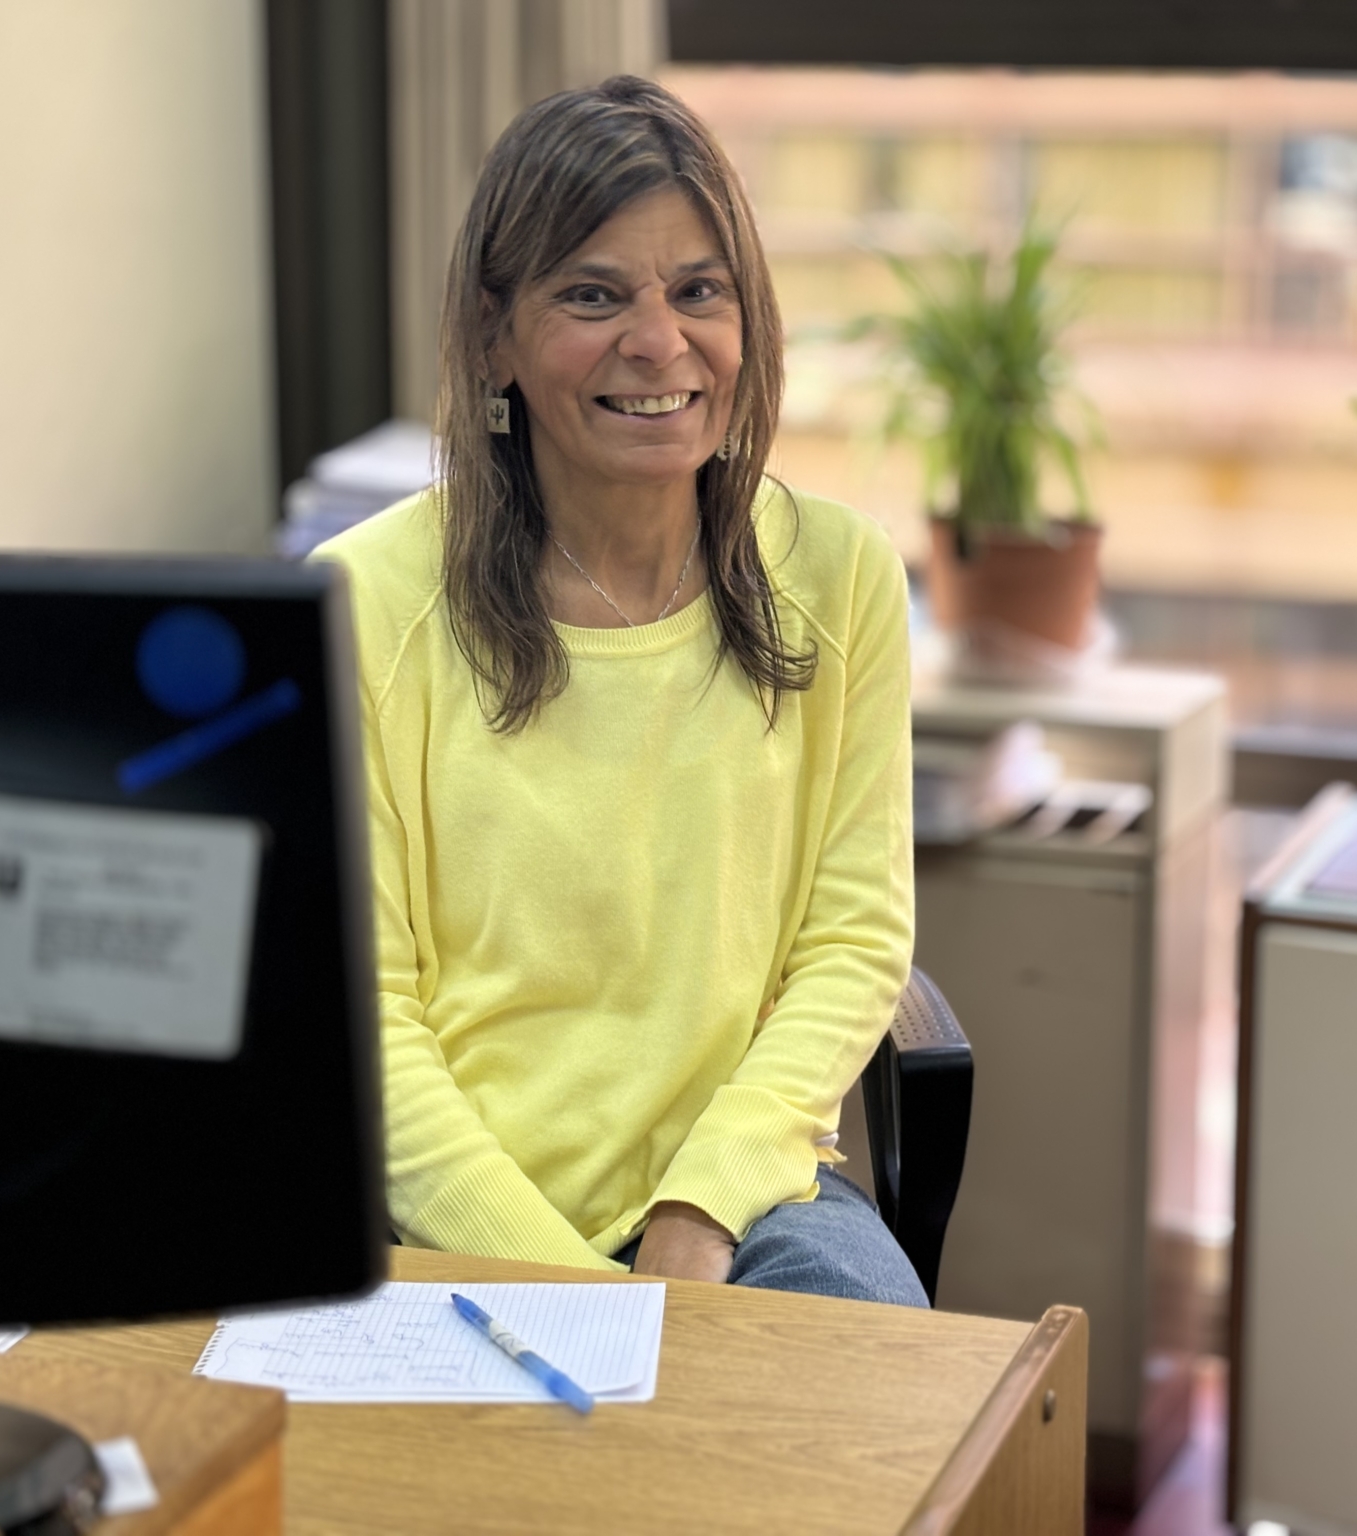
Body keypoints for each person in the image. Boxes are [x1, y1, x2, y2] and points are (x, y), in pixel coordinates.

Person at [314, 76, 924, 1307]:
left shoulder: (841, 574)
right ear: (492, 335)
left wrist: (702, 1206)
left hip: (746, 1205)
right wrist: (572, 1294)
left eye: (698, 291)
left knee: (880, 1398)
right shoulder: (362, 599)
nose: (657, 343)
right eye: (592, 296)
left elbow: (854, 940)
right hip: (444, 1217)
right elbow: (362, 1015)